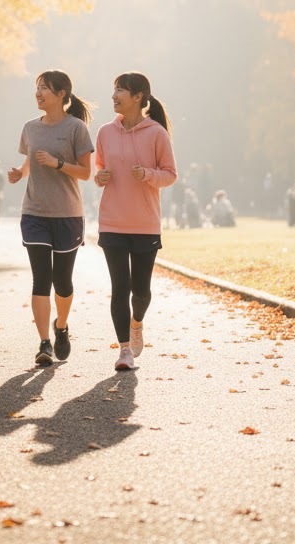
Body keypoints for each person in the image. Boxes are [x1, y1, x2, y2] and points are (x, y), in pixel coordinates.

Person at [8, 70, 93, 366]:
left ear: (61, 94)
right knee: (41, 279)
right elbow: (30, 157)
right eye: (37, 88)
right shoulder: (30, 127)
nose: (38, 93)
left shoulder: (76, 128)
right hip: (34, 212)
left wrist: (58, 164)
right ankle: (44, 343)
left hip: (67, 215)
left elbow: (86, 173)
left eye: (44, 88)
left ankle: (61, 327)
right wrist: (21, 172)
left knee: (63, 281)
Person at [94, 72, 177, 372]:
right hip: (112, 222)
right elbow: (100, 169)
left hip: (145, 224)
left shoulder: (156, 133)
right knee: (120, 288)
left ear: (138, 96)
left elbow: (170, 174)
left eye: (120, 91)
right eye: (114, 89)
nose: (114, 96)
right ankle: (124, 349)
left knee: (140, 292)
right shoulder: (105, 131)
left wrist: (149, 175)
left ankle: (137, 323)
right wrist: (99, 177)